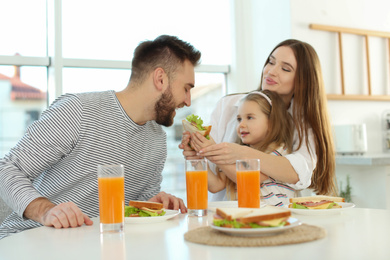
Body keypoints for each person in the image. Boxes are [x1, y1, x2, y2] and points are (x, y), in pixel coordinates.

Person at [0, 35, 201, 239]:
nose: (188, 101)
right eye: (186, 88)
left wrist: (151, 203)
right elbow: (6, 169)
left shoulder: (157, 139)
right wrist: (46, 211)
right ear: (160, 79)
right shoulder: (78, 111)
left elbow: (130, 207)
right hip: (28, 239)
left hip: (96, 244)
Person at [180, 39, 336, 202]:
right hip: (228, 216)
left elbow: (298, 171)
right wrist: (198, 154)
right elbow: (215, 181)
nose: (271, 71)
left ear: (302, 82)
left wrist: (234, 153)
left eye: (285, 69)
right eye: (271, 62)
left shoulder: (282, 143)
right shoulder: (229, 105)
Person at [191, 90, 297, 206]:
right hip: (245, 216)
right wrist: (198, 157)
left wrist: (212, 150)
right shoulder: (234, 153)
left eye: (250, 118)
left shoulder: (279, 150)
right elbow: (216, 185)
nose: (241, 124)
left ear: (271, 122)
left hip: (275, 216)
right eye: (239, 119)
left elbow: (251, 179)